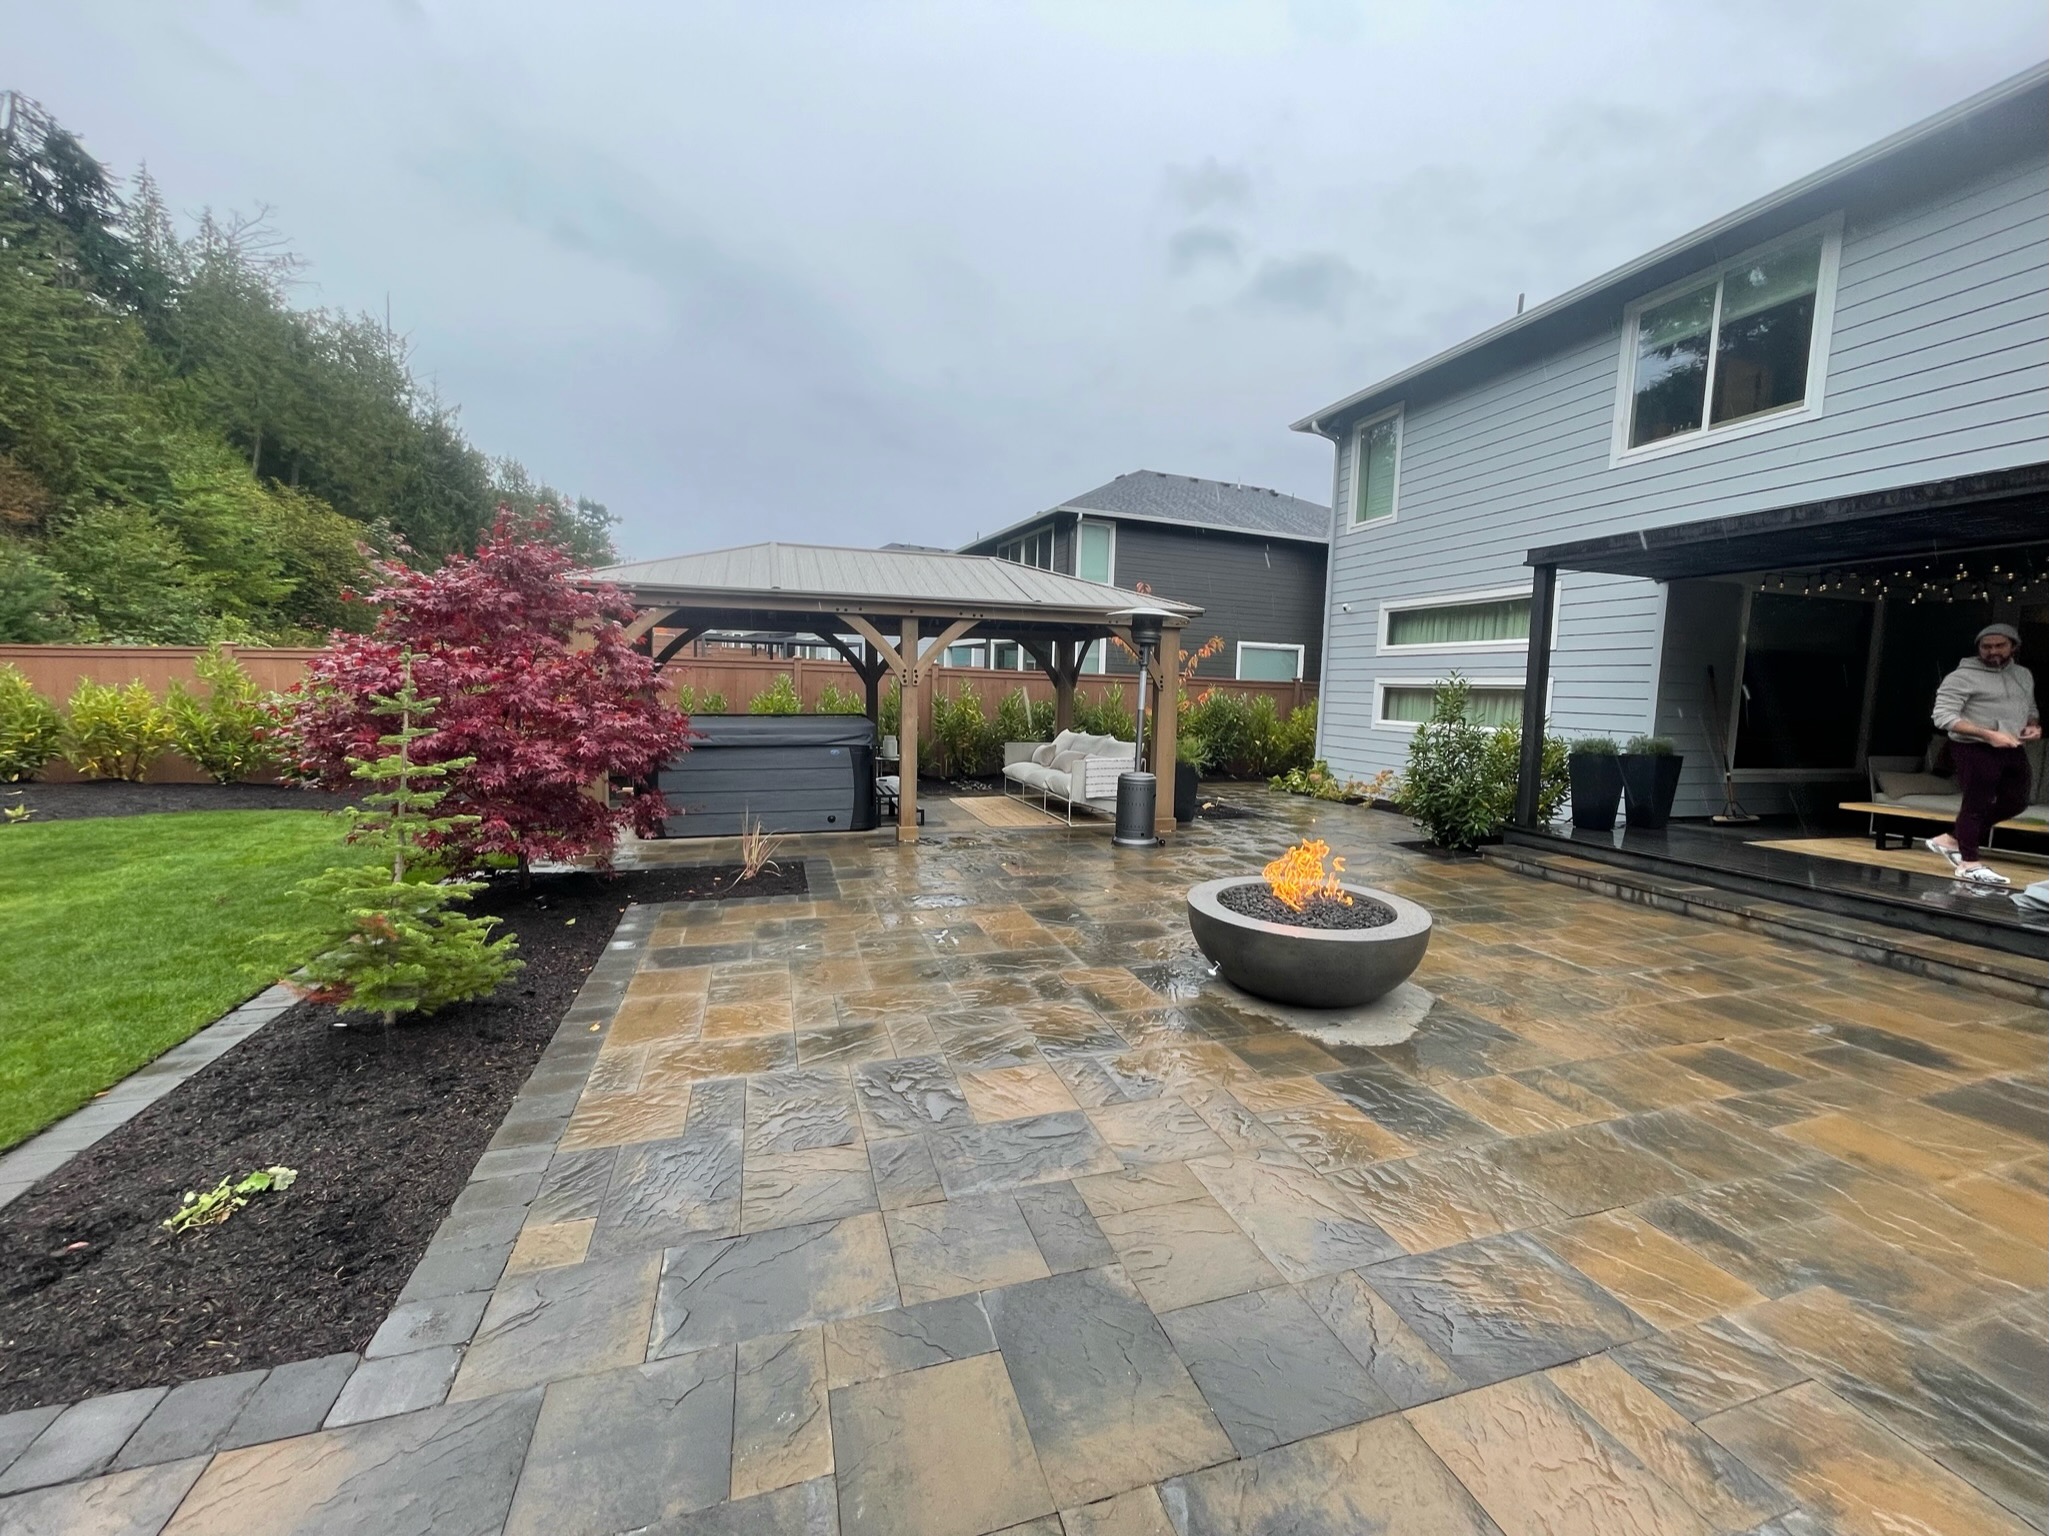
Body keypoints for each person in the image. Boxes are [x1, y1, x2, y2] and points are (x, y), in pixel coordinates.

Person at [1925, 623, 2040, 886]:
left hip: (2012, 746)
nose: (1992, 651)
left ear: (2013, 646)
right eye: (1986, 647)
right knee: (1975, 804)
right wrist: (1988, 734)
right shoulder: (1961, 677)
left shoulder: (2023, 675)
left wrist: (2033, 725)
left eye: (1999, 645)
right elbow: (1942, 716)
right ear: (1978, 648)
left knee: (2017, 802)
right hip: (1972, 747)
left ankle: (1952, 838)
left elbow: (2029, 707)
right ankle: (1968, 863)